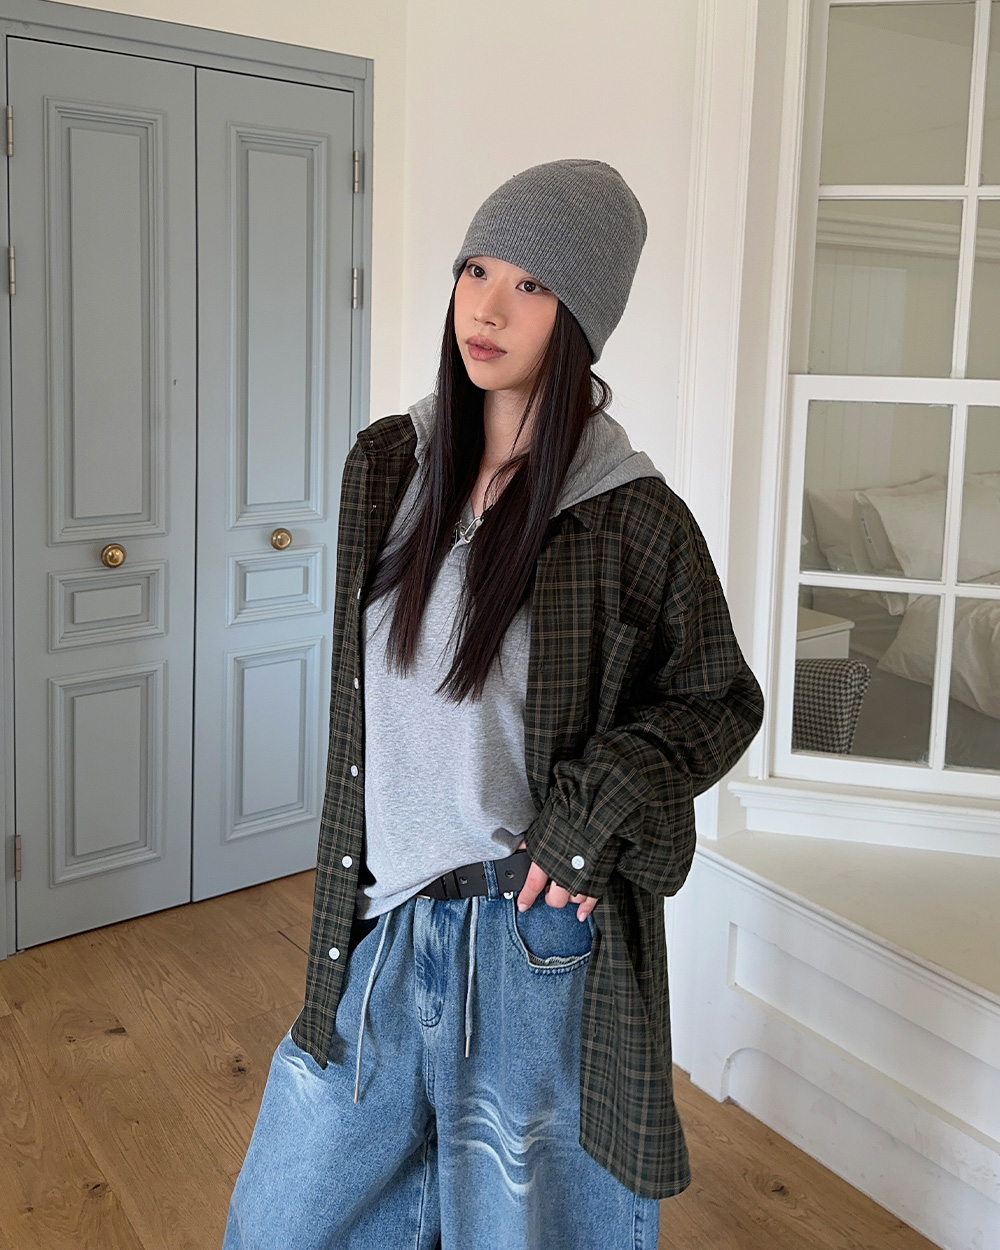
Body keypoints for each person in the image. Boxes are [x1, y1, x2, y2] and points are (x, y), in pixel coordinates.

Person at [221, 158, 764, 1250]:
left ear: (582, 318)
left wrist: (590, 812)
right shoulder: (388, 465)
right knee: (281, 1223)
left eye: (532, 284)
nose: (488, 307)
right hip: (378, 922)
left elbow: (719, 698)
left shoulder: (633, 519)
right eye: (477, 268)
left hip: (528, 940)